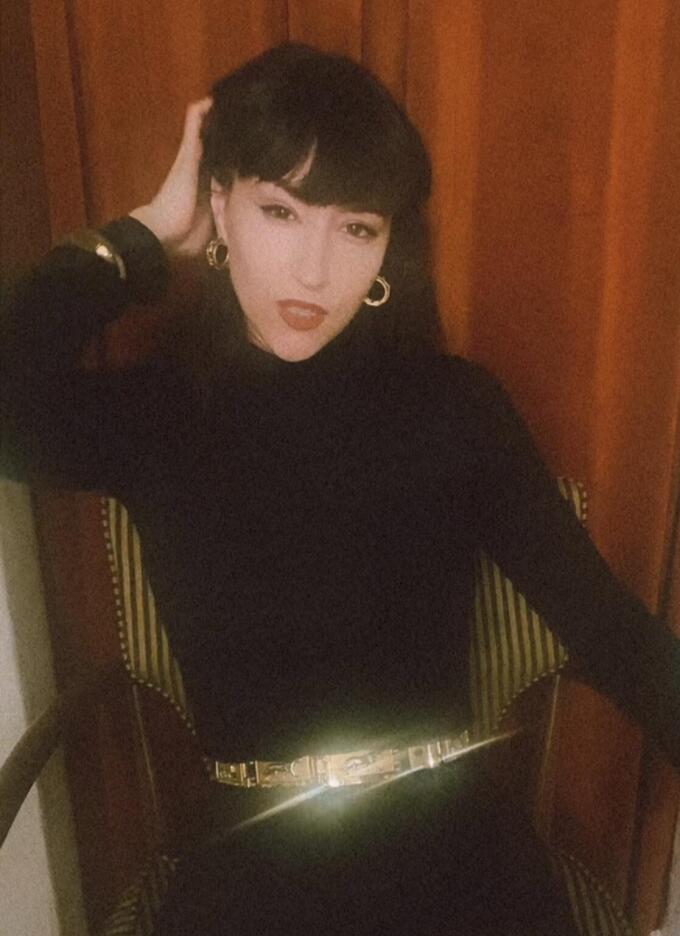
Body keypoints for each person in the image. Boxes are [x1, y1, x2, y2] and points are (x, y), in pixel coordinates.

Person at [1, 43, 679, 935]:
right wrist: (137, 237)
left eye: (357, 227)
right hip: (251, 862)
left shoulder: (454, 407)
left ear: (390, 244)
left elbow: (606, 626)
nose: (315, 273)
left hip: (456, 855)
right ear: (219, 206)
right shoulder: (161, 416)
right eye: (280, 211)